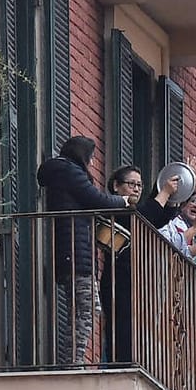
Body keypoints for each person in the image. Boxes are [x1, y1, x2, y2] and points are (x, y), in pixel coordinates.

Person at [37, 137, 137, 365]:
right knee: (88, 308)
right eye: (91, 157)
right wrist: (123, 201)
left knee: (82, 309)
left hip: (73, 251)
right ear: (82, 155)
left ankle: (73, 359)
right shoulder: (69, 171)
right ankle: (73, 361)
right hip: (75, 254)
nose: (92, 163)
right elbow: (96, 199)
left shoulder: (64, 173)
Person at [99, 165, 189, 363]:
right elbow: (146, 216)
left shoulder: (136, 210)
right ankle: (119, 365)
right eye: (132, 184)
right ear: (116, 186)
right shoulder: (116, 206)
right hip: (118, 278)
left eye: (140, 185)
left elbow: (158, 218)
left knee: (137, 326)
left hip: (137, 277)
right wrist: (164, 192)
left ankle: (134, 362)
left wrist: (174, 196)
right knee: (121, 327)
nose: (137, 189)